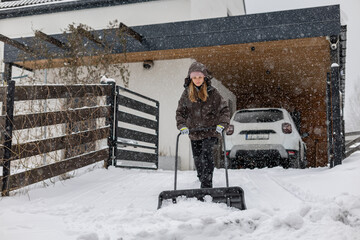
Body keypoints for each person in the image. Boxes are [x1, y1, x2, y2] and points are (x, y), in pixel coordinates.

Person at [176, 61, 230, 188]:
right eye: (194, 77)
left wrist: (222, 124)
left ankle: (207, 184)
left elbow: (224, 110)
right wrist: (182, 125)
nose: (197, 80)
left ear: (204, 77)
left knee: (206, 155)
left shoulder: (213, 93)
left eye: (200, 77)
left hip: (210, 132)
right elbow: (180, 112)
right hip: (194, 133)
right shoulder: (186, 94)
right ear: (190, 78)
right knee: (198, 159)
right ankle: (202, 179)